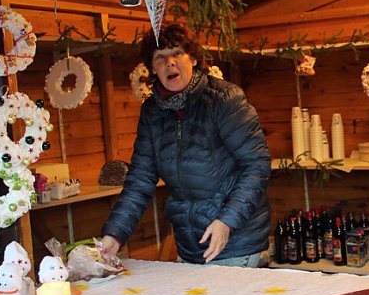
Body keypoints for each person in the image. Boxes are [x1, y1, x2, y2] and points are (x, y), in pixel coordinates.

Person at [99, 23, 271, 266]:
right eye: (160, 57)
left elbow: (257, 165)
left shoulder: (224, 99)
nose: (169, 62)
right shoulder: (152, 112)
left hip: (237, 243)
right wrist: (115, 233)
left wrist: (227, 222)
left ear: (192, 59)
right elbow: (140, 178)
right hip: (190, 245)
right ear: (153, 69)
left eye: (177, 53)